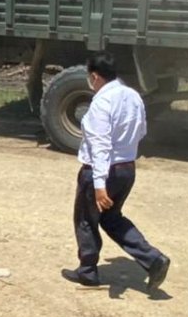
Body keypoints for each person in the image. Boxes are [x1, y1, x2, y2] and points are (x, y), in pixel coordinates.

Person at [61, 51, 170, 292]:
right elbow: (141, 131)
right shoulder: (132, 96)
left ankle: (88, 271)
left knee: (86, 220)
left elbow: (100, 146)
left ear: (96, 76)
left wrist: (99, 186)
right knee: (111, 218)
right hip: (126, 170)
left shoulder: (102, 102)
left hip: (102, 172)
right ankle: (153, 260)